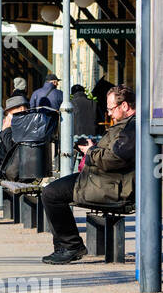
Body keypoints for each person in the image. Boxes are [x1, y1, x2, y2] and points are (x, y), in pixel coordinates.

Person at [39, 84, 136, 264]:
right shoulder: (125, 125)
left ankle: (71, 246)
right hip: (101, 180)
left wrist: (90, 151)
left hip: (112, 186)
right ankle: (64, 246)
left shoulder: (131, 128)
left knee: (52, 194)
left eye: (111, 109)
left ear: (124, 106)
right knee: (50, 191)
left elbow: (114, 158)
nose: (109, 114)